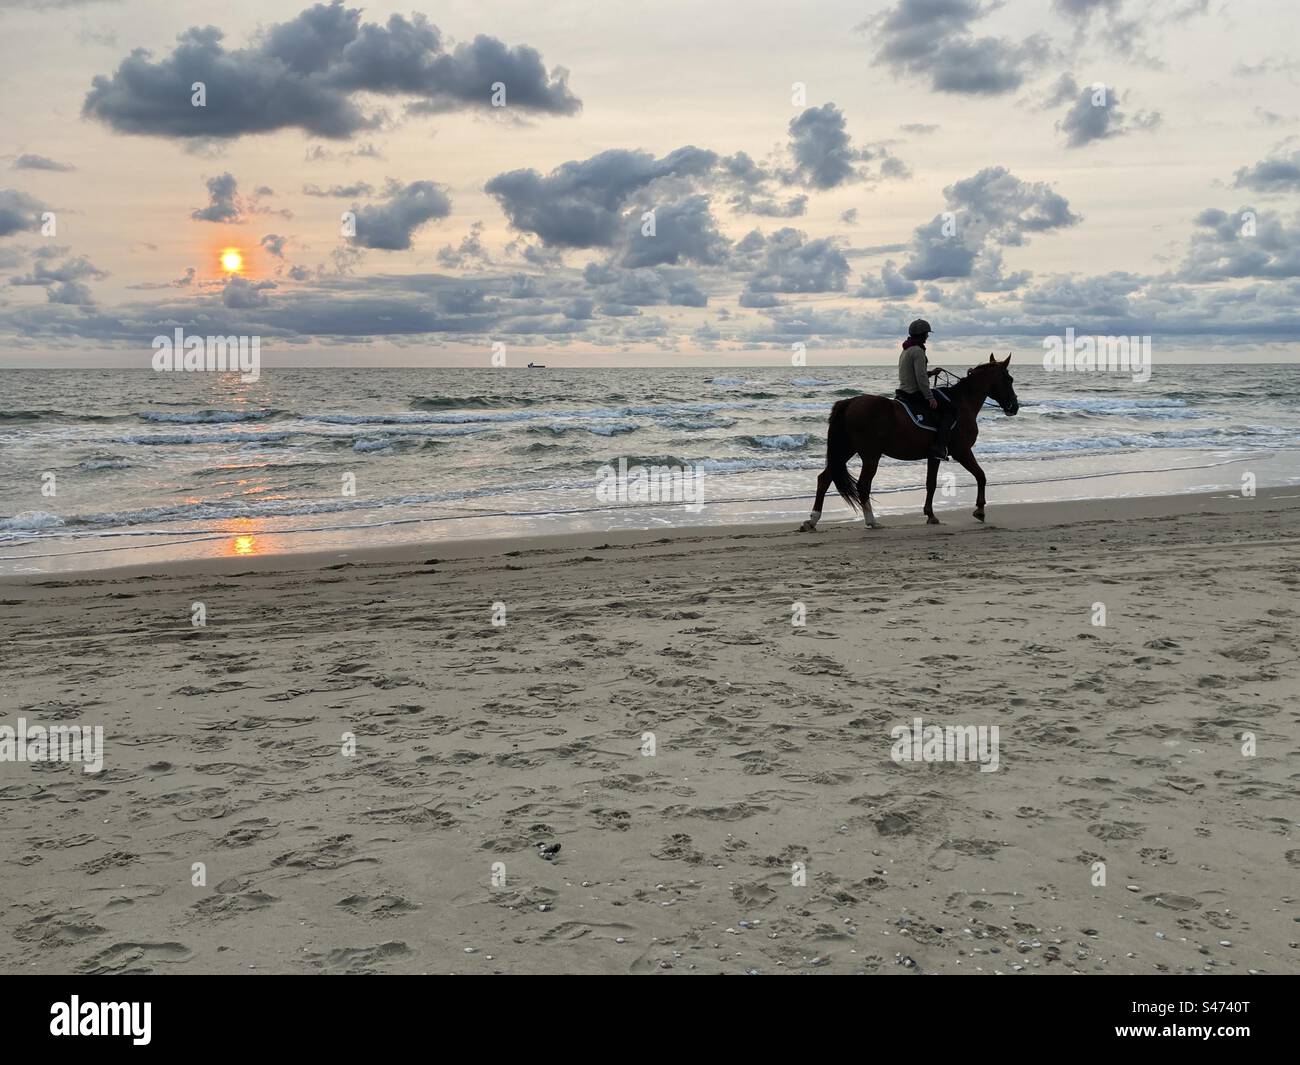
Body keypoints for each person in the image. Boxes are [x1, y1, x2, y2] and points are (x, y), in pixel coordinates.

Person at [897, 318, 954, 460]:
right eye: (926, 334)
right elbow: (921, 379)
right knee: (950, 410)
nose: (928, 336)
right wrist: (930, 397)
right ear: (921, 334)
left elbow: (917, 374)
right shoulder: (918, 351)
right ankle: (939, 447)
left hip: (903, 391)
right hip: (914, 392)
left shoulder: (906, 349)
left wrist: (932, 373)